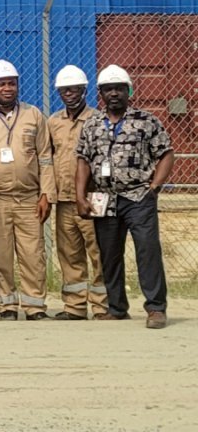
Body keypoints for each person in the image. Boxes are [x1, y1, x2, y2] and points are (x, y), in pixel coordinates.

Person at [77, 65, 175, 329]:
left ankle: (155, 308)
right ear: (100, 93)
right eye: (108, 89)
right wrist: (80, 196)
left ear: (128, 90)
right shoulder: (92, 124)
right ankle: (117, 307)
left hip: (138, 197)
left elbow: (166, 153)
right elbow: (83, 161)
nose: (114, 94)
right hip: (103, 199)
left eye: (119, 88)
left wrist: (154, 187)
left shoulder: (147, 121)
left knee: (147, 251)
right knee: (109, 255)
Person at [0, 60, 55, 320]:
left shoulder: (34, 115)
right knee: (0, 254)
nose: (7, 88)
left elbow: (46, 158)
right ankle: (6, 305)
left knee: (33, 254)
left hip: (29, 198)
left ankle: (35, 306)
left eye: (11, 83)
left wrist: (46, 194)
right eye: (1, 84)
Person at [47, 65, 108, 321]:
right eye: (64, 90)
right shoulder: (53, 122)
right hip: (63, 200)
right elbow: (46, 159)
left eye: (73, 89)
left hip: (94, 198)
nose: (69, 93)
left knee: (99, 252)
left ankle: (103, 306)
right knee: (69, 253)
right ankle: (74, 306)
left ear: (84, 90)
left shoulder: (98, 120)